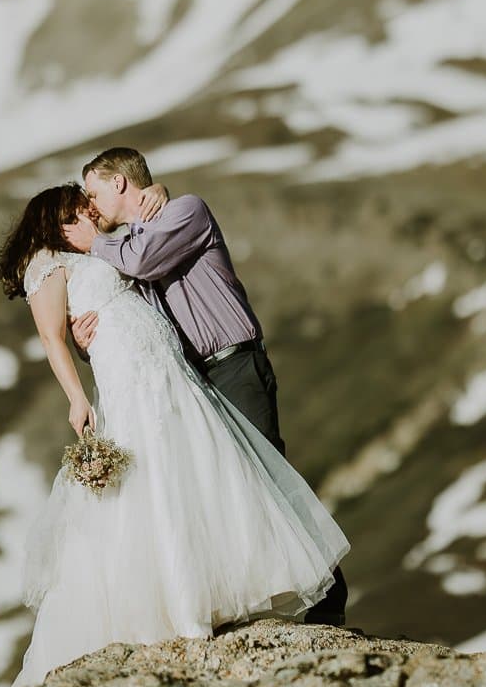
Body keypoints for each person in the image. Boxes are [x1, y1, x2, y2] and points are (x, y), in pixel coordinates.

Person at [0, 183, 349, 687]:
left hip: (170, 372)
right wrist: (76, 394)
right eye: (77, 210)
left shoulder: (108, 242)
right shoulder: (48, 263)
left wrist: (153, 193)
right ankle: (174, 607)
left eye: (90, 204)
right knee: (148, 477)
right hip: (128, 377)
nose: (89, 214)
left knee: (197, 467)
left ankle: (224, 596)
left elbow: (141, 244)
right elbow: (52, 338)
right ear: (54, 220)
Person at [61, 147, 350, 626]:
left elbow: (145, 260)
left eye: (93, 192)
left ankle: (327, 607)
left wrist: (93, 243)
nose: (91, 206)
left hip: (235, 365)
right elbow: (137, 315)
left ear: (119, 183)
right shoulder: (130, 240)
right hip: (195, 380)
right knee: (229, 489)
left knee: (270, 479)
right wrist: (86, 342)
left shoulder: (185, 211)